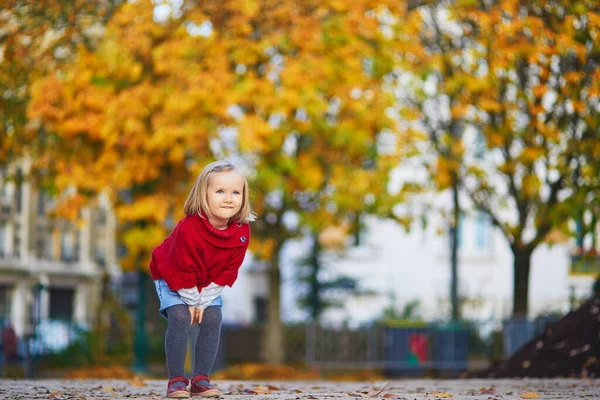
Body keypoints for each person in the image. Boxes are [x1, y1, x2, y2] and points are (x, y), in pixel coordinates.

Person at [150, 160, 255, 398]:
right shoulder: (189, 228)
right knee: (179, 316)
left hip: (207, 283)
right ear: (203, 195)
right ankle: (176, 380)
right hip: (172, 276)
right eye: (220, 191)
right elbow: (184, 269)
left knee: (213, 316)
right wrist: (192, 303)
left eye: (235, 192)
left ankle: (200, 379)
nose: (228, 198)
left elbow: (229, 269)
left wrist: (204, 301)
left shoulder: (241, 232)